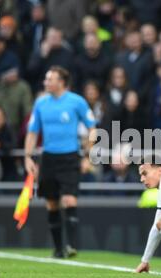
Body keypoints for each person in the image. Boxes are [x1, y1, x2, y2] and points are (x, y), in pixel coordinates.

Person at [24, 66, 96, 258]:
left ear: (61, 82)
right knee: (52, 203)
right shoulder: (40, 103)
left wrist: (88, 156)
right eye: (46, 79)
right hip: (48, 157)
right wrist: (28, 157)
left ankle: (71, 245)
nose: (46, 82)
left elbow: (92, 128)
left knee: (69, 199)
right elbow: (32, 132)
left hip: (70, 156)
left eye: (50, 79)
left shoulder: (77, 102)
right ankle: (58, 249)